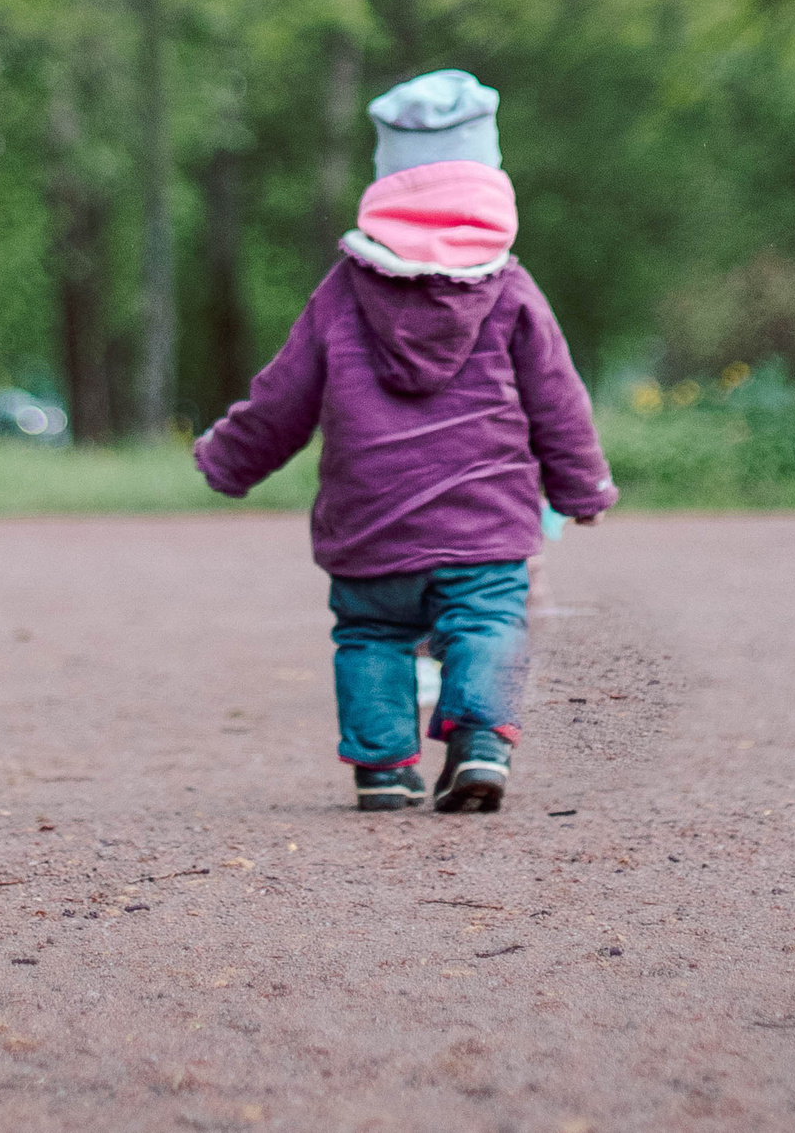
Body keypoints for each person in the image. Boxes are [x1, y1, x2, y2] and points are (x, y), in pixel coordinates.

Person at [192, 67, 617, 813]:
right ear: (490, 181)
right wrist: (581, 487)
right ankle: (482, 741)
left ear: (385, 184)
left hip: (370, 521)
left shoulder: (343, 289)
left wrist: (229, 457)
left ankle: (384, 767)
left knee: (370, 632)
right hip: (483, 523)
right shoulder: (510, 289)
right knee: (490, 621)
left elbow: (283, 392)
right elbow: (559, 397)